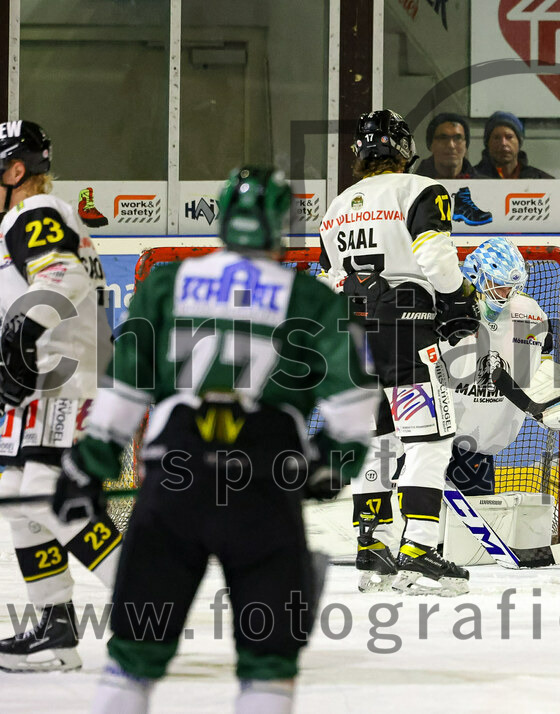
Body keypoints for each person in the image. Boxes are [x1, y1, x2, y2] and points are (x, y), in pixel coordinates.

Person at [51, 165, 377, 712]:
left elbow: (125, 389)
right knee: (269, 665)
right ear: (281, 225)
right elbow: (354, 403)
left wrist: (88, 465)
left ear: (223, 219)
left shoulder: (166, 284)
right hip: (265, 491)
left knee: (133, 657)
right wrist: (331, 465)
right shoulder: (312, 299)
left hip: (175, 483)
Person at [348, 237, 560, 590]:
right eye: (496, 284)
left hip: (479, 446)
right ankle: (384, 558)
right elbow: (446, 370)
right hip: (431, 430)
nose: (504, 293)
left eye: (511, 286)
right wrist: (524, 399)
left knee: (464, 546)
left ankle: (399, 559)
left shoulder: (529, 315)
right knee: (407, 496)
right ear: (474, 275)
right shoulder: (446, 307)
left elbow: (532, 372)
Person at [319, 109, 479, 596]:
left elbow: (327, 278)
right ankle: (419, 551)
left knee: (374, 441)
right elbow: (434, 256)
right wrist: (457, 299)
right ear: (404, 148)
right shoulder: (420, 189)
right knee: (428, 440)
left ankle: (373, 547)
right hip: (405, 332)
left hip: (350, 337)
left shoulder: (337, 206)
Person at [0, 119, 122, 673]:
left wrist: (21, 336)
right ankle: (55, 629)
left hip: (59, 380)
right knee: (18, 499)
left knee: (47, 496)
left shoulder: (31, 213)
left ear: (15, 170)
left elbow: (61, 278)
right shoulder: (42, 216)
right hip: (45, 383)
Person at [415, 113, 492, 226]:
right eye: (443, 138)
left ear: (466, 145)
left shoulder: (485, 184)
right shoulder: (415, 185)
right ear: (430, 144)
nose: (451, 145)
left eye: (458, 138)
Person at [474, 111, 553, 179]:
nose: (503, 143)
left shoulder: (540, 180)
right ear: (487, 143)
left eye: (509, 137)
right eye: (496, 137)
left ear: (519, 142)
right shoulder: (470, 179)